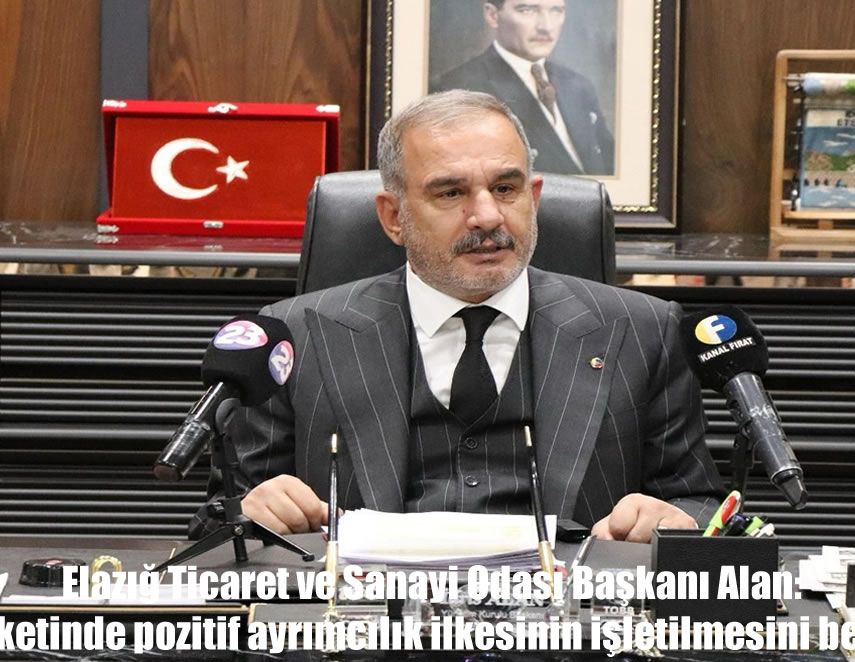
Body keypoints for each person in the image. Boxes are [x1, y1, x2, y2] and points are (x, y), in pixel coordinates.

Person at [194, 89, 721, 544]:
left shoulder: (643, 331)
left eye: (506, 189)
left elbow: (701, 505)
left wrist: (673, 521)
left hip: (570, 617)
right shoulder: (296, 337)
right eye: (451, 193)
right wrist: (252, 513)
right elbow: (217, 524)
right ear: (393, 217)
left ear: (534, 198)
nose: (487, 216)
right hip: (369, 616)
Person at [430, 0, 614, 176]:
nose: (546, 26)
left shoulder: (578, 86)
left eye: (556, 10)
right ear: (493, 15)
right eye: (527, 10)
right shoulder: (460, 89)